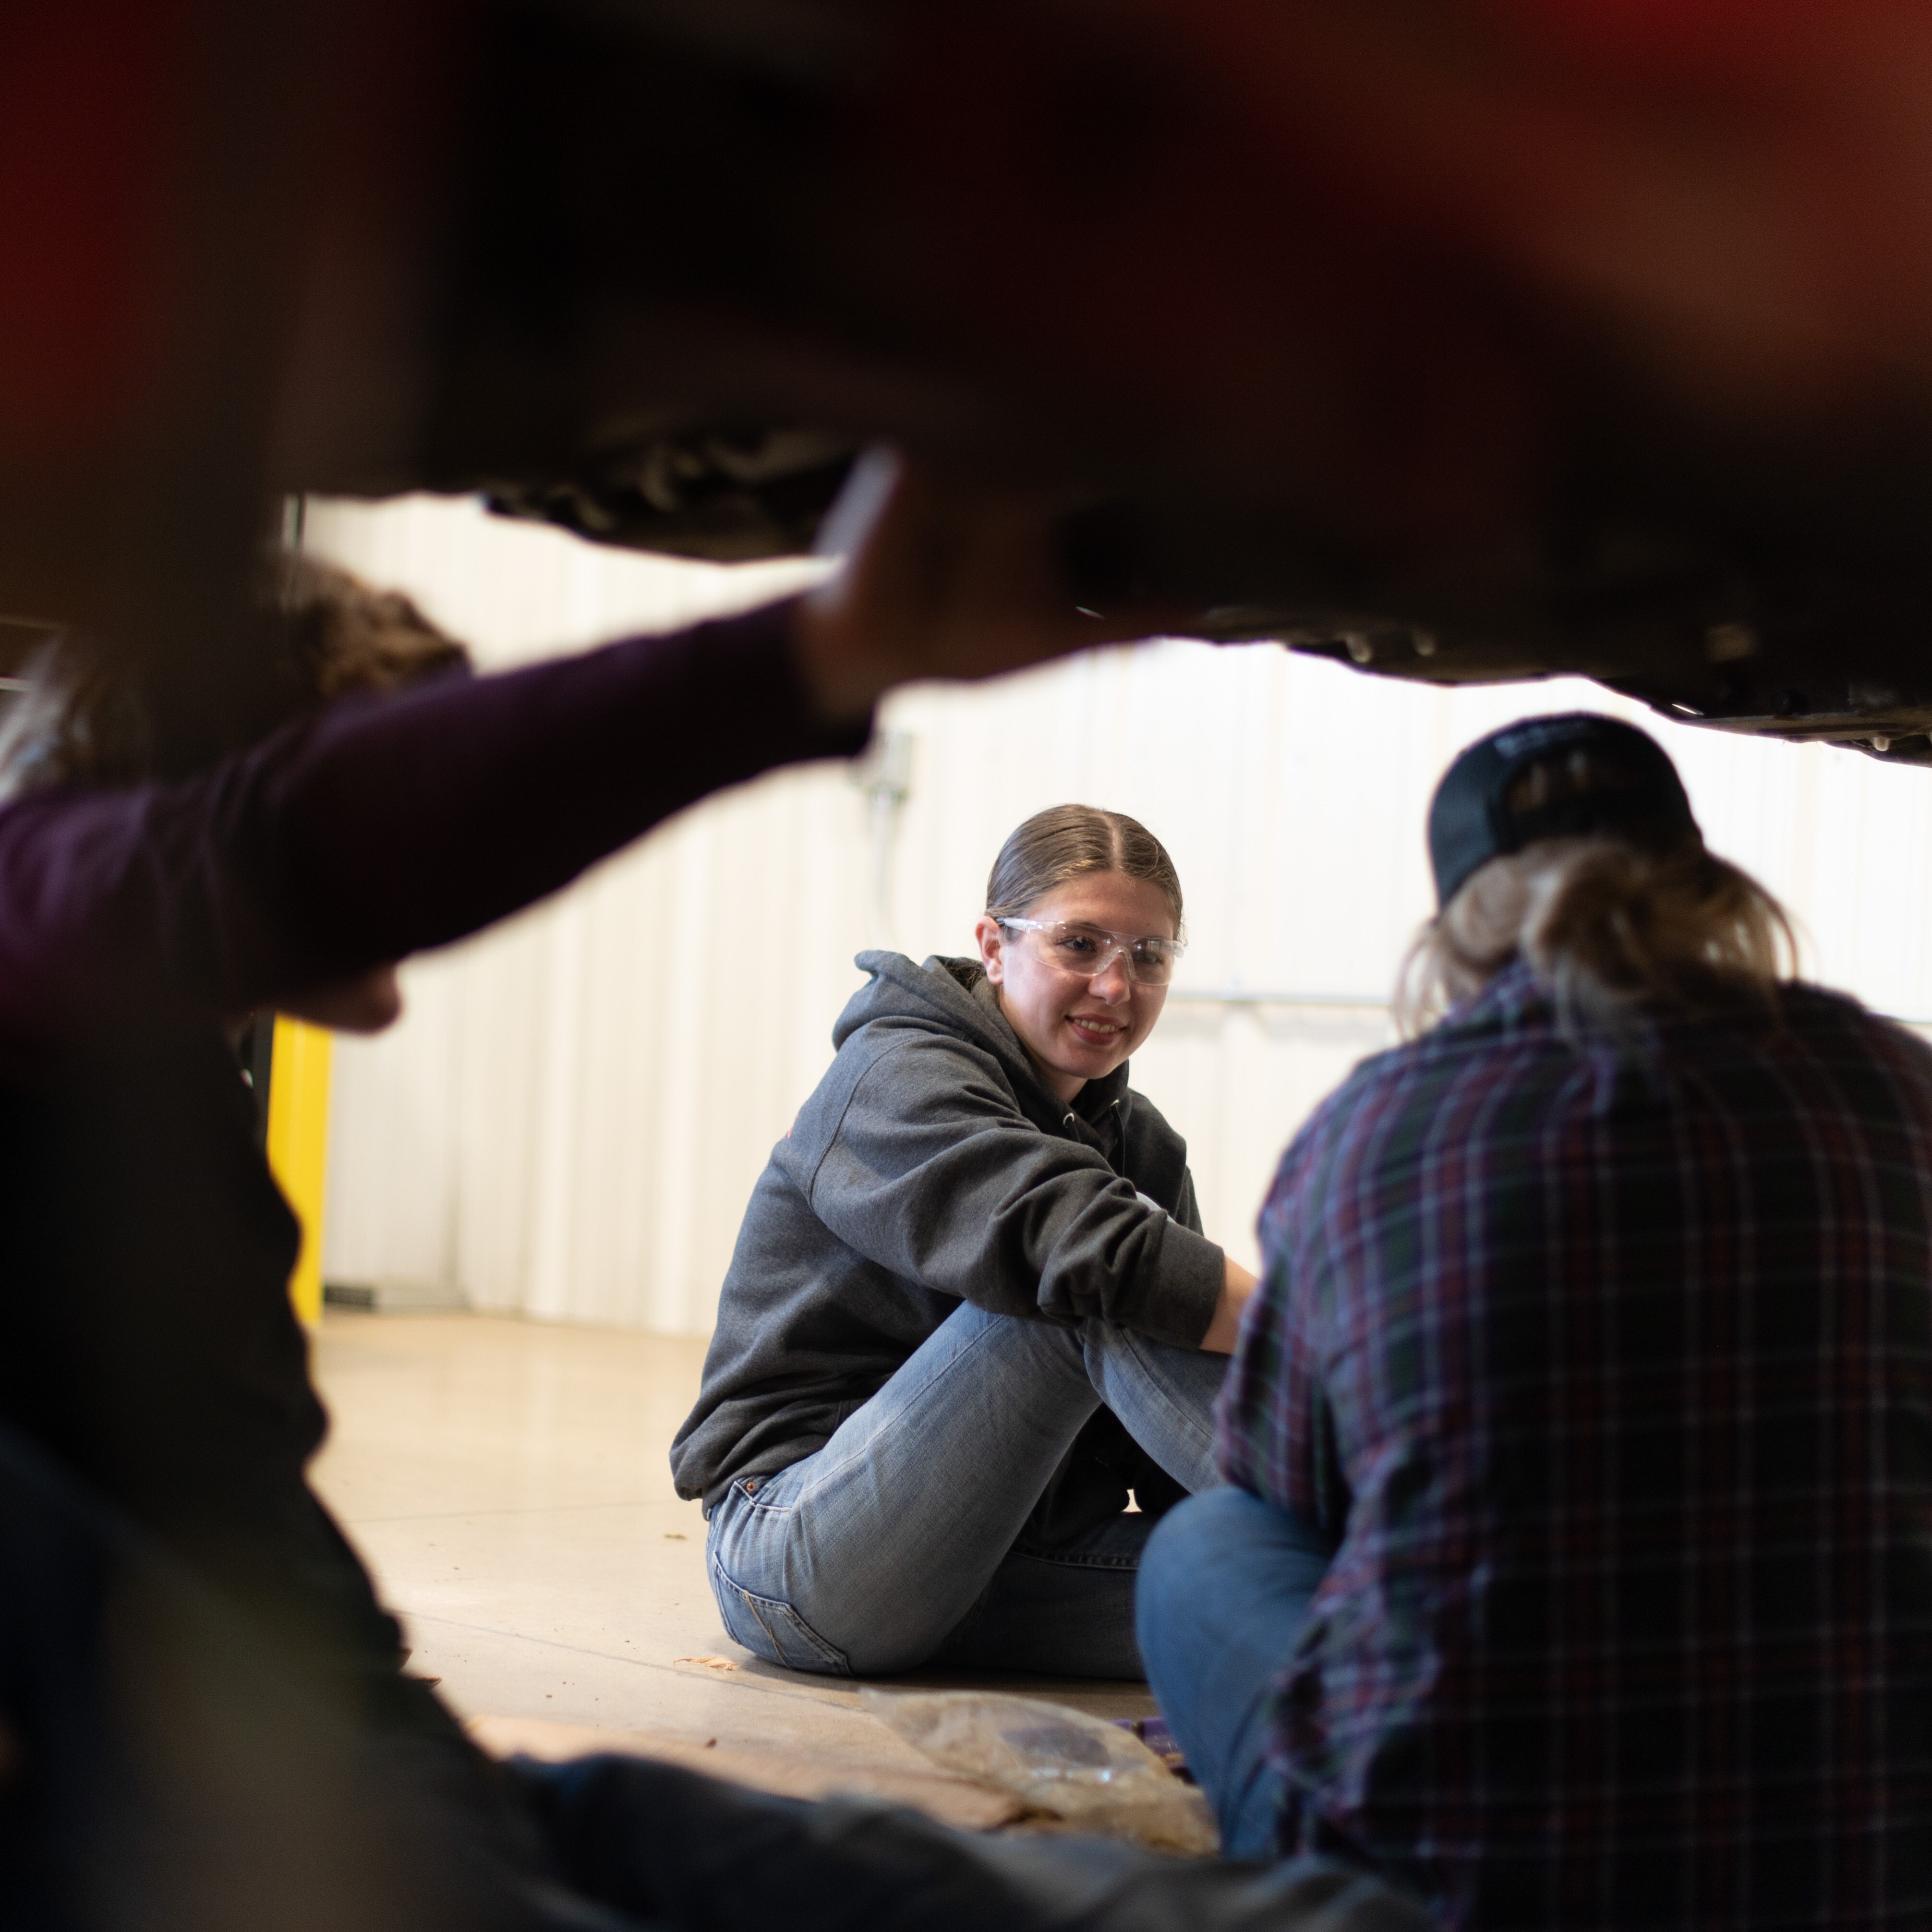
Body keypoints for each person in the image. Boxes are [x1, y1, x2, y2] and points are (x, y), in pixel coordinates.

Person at [1135, 712, 1932, 1930]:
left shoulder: (1371, 1132)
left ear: (1457, 927)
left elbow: (1294, 1490)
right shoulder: (1897, 1088)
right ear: (1704, 888)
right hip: (1866, 1867)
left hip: (1459, 1883)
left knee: (1209, 1543)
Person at [671, 803, 1257, 1680]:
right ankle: (1412, 1535)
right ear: (993, 946)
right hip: (800, 1557)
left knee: (1340, 1613)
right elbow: (1089, 1253)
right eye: (1080, 945)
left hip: (1010, 1565)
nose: (1115, 985)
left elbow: (1178, 1444)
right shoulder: (893, 1077)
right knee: (1093, 1277)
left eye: (1149, 955)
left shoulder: (1144, 1147)